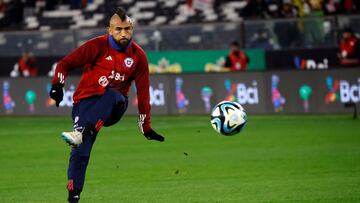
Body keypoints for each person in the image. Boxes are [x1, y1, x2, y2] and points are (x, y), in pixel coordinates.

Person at [49, 7, 165, 203]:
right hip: (85, 104)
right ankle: (73, 197)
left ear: (132, 29)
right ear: (109, 30)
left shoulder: (139, 56)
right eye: (118, 29)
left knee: (112, 94)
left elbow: (144, 94)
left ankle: (82, 132)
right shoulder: (97, 46)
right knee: (80, 153)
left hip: (115, 105)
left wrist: (145, 127)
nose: (123, 33)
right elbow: (64, 64)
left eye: (127, 29)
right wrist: (57, 86)